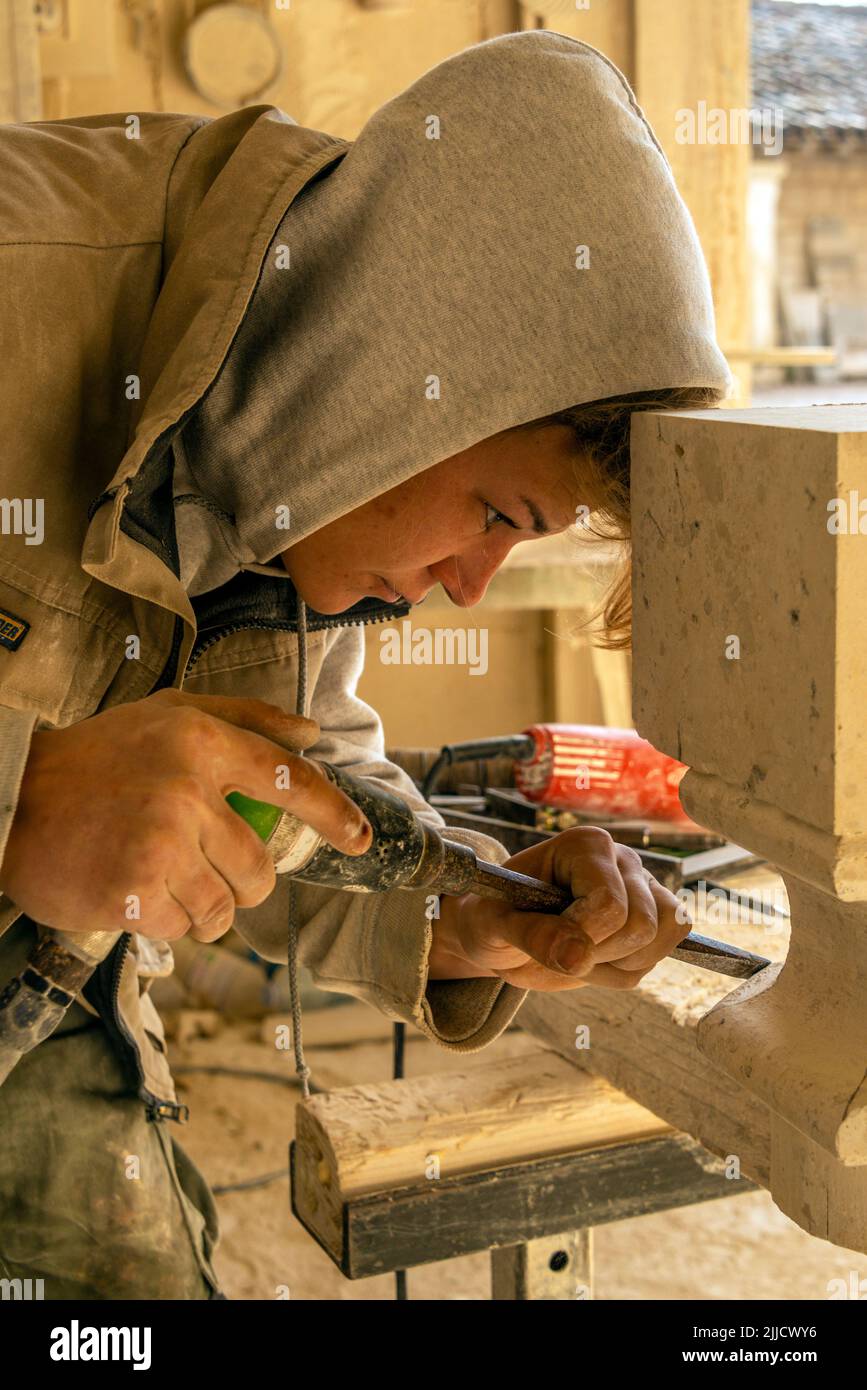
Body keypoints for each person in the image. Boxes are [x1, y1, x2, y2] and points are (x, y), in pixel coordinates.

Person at [0, 30, 730, 1297]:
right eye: (497, 517)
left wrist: (464, 911)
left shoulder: (303, 468)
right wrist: (23, 802)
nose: (468, 586)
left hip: (42, 997)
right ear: (398, 386)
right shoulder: (21, 285)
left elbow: (284, 821)